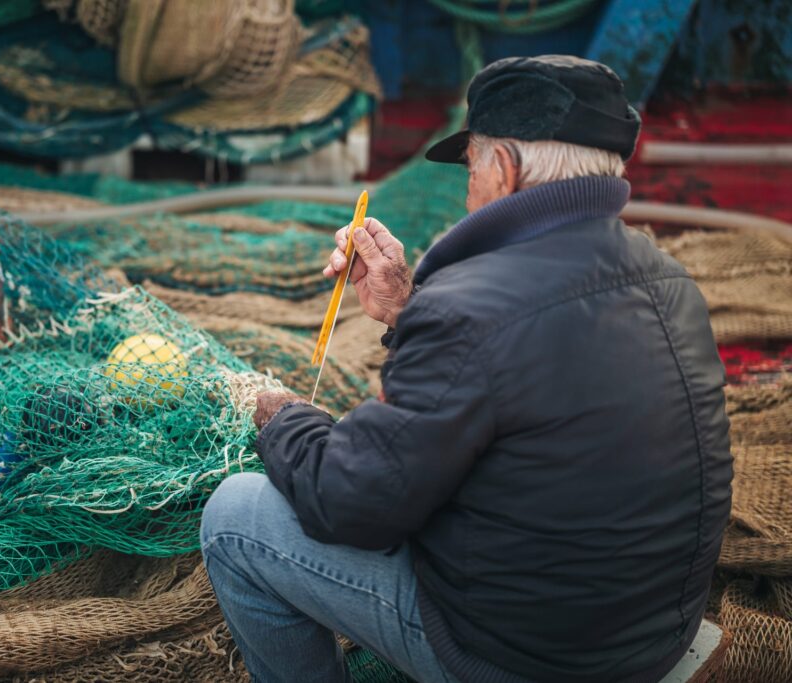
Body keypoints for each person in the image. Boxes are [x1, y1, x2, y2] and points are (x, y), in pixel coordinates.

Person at [200, 55, 733, 683]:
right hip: (650, 636)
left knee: (234, 516)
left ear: (503, 171)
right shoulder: (669, 279)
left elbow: (349, 506)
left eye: (472, 165)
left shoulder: (470, 307)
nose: (468, 188)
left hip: (526, 659)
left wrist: (282, 415)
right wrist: (406, 309)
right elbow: (527, 375)